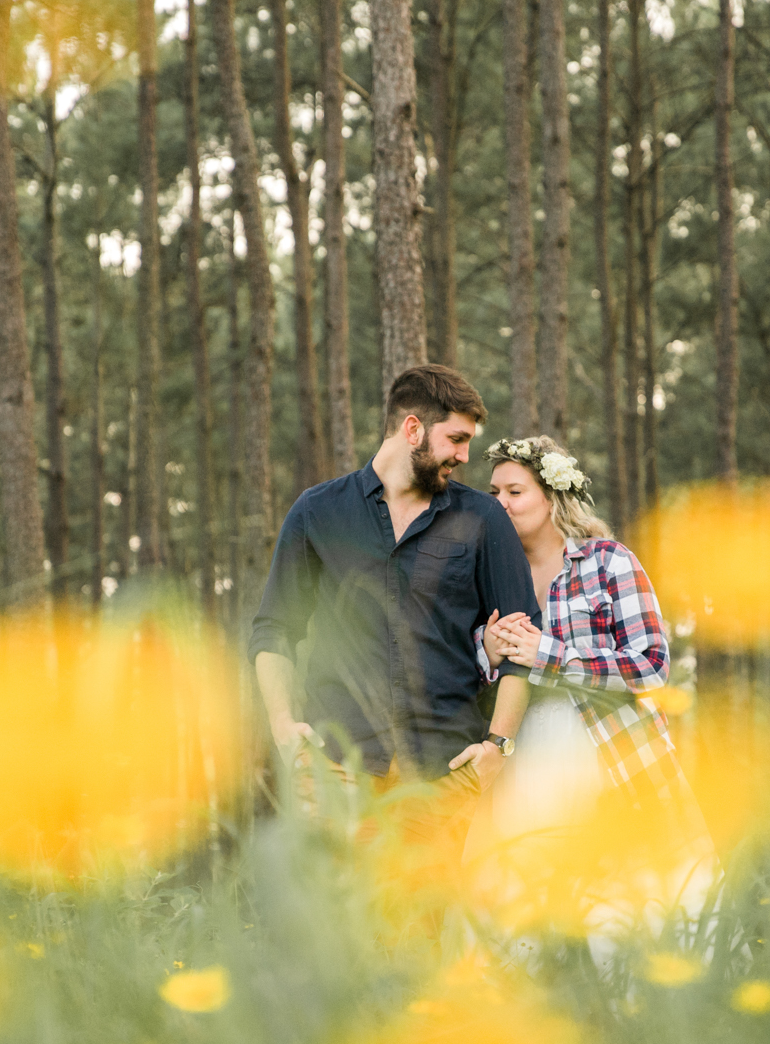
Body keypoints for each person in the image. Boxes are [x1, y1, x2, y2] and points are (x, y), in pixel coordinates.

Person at [250, 366, 543, 845]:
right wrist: (284, 727)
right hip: (335, 766)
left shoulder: (484, 518)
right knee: (338, 919)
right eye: (456, 438)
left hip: (442, 775)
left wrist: (497, 747)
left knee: (421, 921)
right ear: (412, 429)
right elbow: (274, 630)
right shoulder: (317, 511)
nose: (464, 456)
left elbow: (521, 646)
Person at [470, 435, 714, 927]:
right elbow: (468, 667)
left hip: (610, 752)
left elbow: (650, 664)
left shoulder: (607, 561)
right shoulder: (488, 573)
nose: (499, 504)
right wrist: (486, 651)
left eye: (514, 492)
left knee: (624, 902)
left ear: (551, 495)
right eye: (493, 493)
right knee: (523, 897)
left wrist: (550, 656)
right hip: (523, 757)